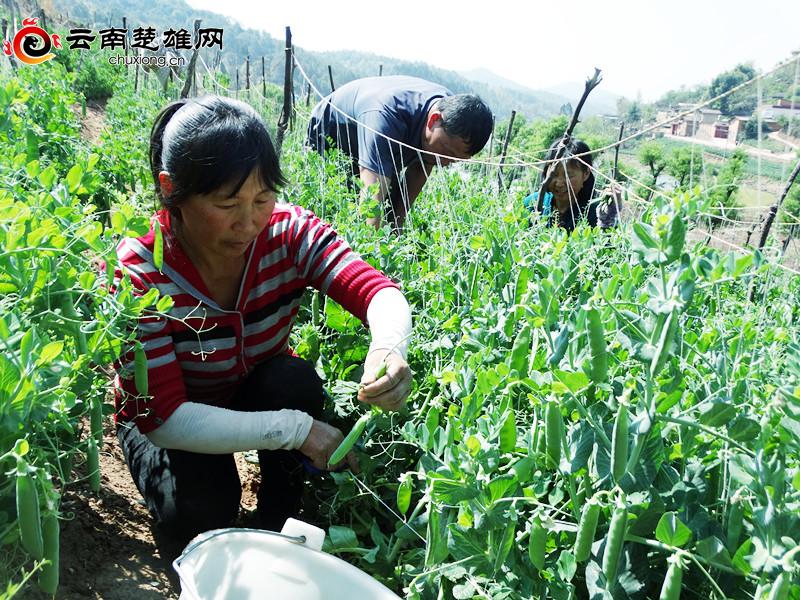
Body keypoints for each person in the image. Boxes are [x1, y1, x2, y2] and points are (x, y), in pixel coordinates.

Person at [112, 95, 413, 542]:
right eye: (227, 204)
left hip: (248, 388)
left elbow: (378, 292)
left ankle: (278, 527)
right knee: (201, 508)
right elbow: (168, 419)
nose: (249, 222)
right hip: (169, 419)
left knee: (293, 382)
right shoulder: (140, 268)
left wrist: (389, 346)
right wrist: (296, 430)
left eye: (263, 198)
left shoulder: (288, 233)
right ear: (171, 188)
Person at [307, 75, 493, 231]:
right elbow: (372, 193)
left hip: (381, 139)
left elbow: (421, 167)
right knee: (339, 207)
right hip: (332, 135)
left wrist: (397, 228)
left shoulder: (450, 114)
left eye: (453, 160)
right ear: (434, 120)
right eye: (446, 151)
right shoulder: (386, 116)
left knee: (389, 214)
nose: (443, 163)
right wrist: (370, 261)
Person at [523, 137, 621, 231]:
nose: (559, 183)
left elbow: (610, 245)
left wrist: (610, 217)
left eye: (568, 175)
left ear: (586, 173)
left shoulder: (596, 213)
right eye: (554, 174)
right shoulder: (532, 203)